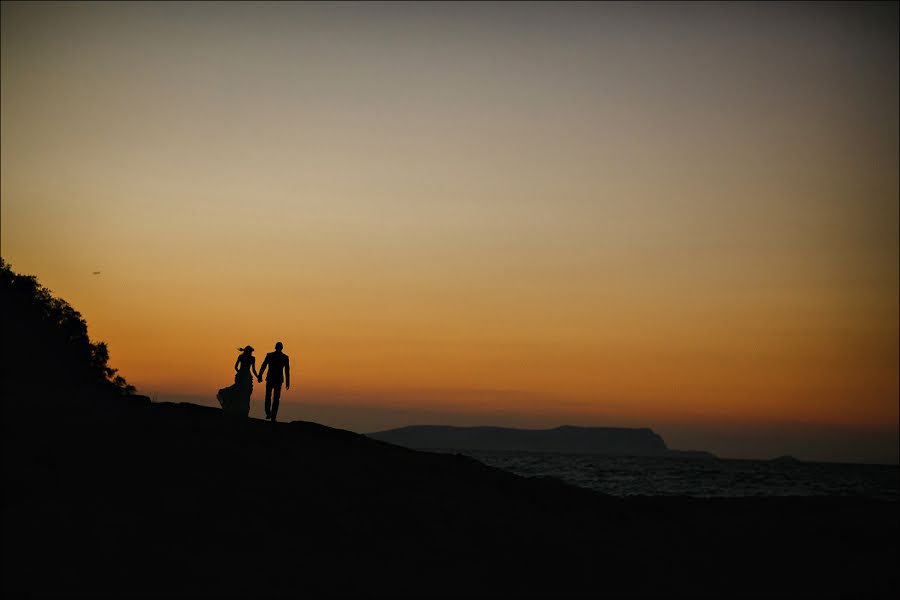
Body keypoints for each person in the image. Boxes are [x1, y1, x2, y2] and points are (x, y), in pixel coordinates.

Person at [216, 346, 258, 418]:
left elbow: (235, 367)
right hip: (246, 376)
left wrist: (240, 372)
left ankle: (238, 410)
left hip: (241, 375)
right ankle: (242, 411)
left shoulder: (241, 357)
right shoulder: (252, 358)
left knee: (238, 391)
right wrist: (257, 377)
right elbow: (253, 370)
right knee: (245, 394)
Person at [258, 341, 290, 422]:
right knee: (273, 397)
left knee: (273, 397)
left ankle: (271, 415)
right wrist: (260, 375)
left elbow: (287, 370)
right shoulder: (274, 356)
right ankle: (270, 414)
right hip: (274, 379)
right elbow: (264, 365)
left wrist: (287, 382)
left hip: (276, 379)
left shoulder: (284, 357)